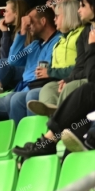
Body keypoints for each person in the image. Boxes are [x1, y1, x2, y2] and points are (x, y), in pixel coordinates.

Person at [12, 17, 95, 157]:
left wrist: (92, 47)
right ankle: (53, 128)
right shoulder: (83, 33)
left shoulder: (80, 34)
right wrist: (21, 32)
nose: (79, 11)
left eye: (83, 6)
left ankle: (51, 136)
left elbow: (90, 74)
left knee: (85, 89)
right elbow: (13, 60)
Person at [0, 8, 62, 129]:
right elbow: (12, 60)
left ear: (43, 21)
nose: (28, 25)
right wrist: (22, 32)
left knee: (16, 98)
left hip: (38, 88)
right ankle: (4, 140)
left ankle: (27, 140)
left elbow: (44, 71)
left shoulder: (58, 40)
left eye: (30, 22)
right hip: (22, 90)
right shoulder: (35, 45)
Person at [30, 0, 93, 115]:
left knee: (67, 88)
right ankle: (54, 121)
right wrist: (66, 79)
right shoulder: (61, 40)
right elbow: (80, 65)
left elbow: (82, 67)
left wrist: (53, 73)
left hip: (84, 79)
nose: (54, 20)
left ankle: (59, 124)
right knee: (47, 89)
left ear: (68, 17)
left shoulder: (81, 34)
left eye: (57, 16)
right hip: (68, 78)